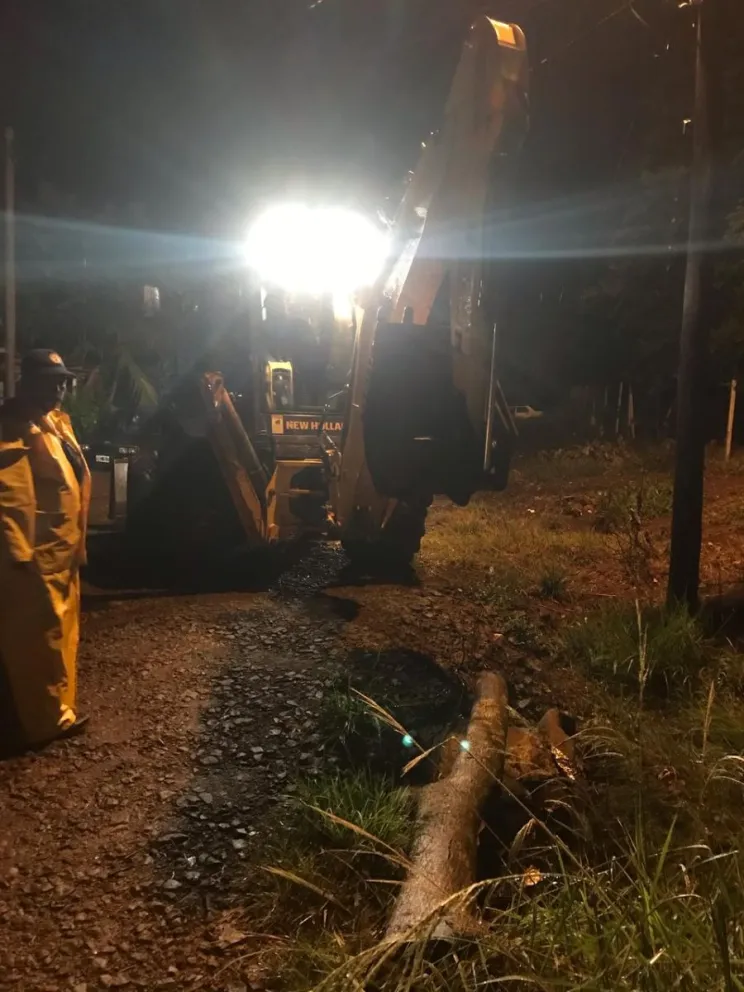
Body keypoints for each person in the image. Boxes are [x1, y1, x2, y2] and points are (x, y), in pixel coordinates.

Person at [0, 349, 91, 753]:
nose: (59, 387)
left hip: (61, 557)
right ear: (27, 382)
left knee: (59, 638)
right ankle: (41, 723)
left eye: (62, 380)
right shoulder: (14, 426)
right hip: (35, 563)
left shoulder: (53, 424)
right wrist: (18, 556)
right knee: (35, 644)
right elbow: (9, 496)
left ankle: (58, 708)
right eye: (50, 380)